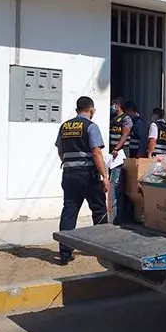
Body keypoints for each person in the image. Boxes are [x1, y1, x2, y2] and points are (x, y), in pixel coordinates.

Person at [55, 96, 109, 265]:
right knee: (99, 210)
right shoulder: (91, 126)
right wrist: (105, 176)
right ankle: (102, 248)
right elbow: (96, 152)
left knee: (69, 211)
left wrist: (70, 163)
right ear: (91, 110)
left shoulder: (65, 126)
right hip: (88, 174)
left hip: (69, 174)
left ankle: (65, 253)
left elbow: (60, 150)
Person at [111, 101, 149, 224]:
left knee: (129, 187)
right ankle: (126, 215)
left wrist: (139, 157)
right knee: (126, 187)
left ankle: (128, 215)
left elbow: (143, 140)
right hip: (130, 158)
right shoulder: (122, 120)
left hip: (135, 158)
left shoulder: (138, 123)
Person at [108, 96, 125, 219]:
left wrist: (117, 148)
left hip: (119, 156)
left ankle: (117, 216)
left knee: (116, 183)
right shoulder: (114, 119)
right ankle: (112, 215)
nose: (112, 107)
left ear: (117, 105)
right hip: (112, 156)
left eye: (113, 105)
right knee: (112, 184)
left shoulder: (126, 118)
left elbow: (125, 134)